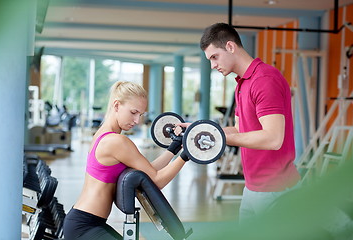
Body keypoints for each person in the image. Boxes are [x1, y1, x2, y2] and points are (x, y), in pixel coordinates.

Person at [190, 23, 300, 222]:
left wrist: (220, 137)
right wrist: (197, 130)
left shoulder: (264, 79)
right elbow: (241, 130)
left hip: (275, 189)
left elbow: (273, 138)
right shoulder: (243, 83)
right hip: (253, 187)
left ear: (230, 47)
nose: (212, 65)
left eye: (214, 57)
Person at [63, 81, 189, 240]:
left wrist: (174, 149)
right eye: (133, 112)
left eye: (140, 114)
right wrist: (186, 155)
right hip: (85, 227)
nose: (137, 120)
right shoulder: (116, 142)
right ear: (116, 105)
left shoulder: (104, 135)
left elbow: (148, 172)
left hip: (87, 222)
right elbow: (156, 181)